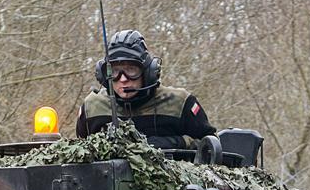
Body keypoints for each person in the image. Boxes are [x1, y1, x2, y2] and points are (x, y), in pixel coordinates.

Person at [72, 30, 215, 152]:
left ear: (149, 72)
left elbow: (211, 145)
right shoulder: (92, 107)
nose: (123, 79)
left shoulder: (180, 103)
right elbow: (79, 150)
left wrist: (171, 143)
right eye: (115, 71)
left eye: (131, 70)